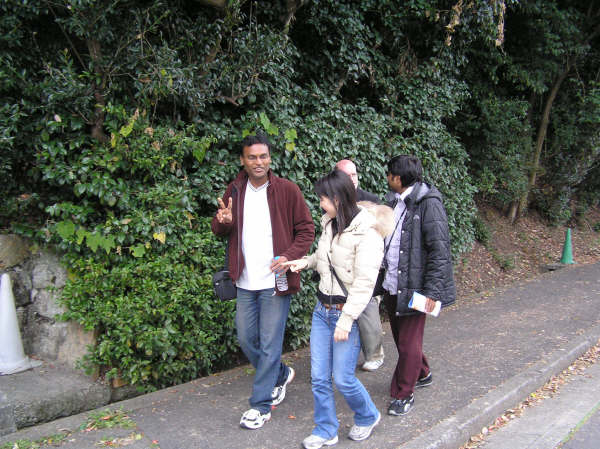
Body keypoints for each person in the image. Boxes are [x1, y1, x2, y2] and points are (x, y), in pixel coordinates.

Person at [211, 132, 315, 430]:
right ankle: (280, 374)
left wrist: (289, 256)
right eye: (252, 157)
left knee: (270, 344)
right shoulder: (235, 190)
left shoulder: (287, 190)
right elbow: (219, 228)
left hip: (276, 280)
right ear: (242, 161)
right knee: (246, 339)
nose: (259, 162)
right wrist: (223, 222)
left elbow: (306, 230)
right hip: (244, 281)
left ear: (270, 158)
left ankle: (260, 406)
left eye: (263, 156)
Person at [284, 169, 394, 449]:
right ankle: (325, 430)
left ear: (338, 198)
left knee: (343, 379)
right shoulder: (330, 224)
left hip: (347, 314)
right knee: (319, 378)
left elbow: (364, 284)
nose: (320, 203)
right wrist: (305, 262)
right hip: (322, 312)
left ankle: (367, 415)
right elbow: (326, 258)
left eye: (324, 198)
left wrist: (345, 321)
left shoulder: (368, 234)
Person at [381, 155, 455, 417]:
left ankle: (403, 393)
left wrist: (432, 293)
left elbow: (440, 251)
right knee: (403, 339)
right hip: (393, 284)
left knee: (407, 343)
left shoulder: (429, 203)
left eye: (389, 174)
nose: (386, 178)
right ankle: (422, 372)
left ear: (398, 178)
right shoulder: (394, 201)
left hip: (416, 289)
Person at [335, 159, 385, 372]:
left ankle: (375, 354)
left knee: (367, 310)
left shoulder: (371, 201)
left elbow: (381, 233)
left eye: (354, 174)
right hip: (341, 267)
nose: (351, 179)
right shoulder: (332, 200)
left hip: (365, 265)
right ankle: (343, 357)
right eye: (346, 175)